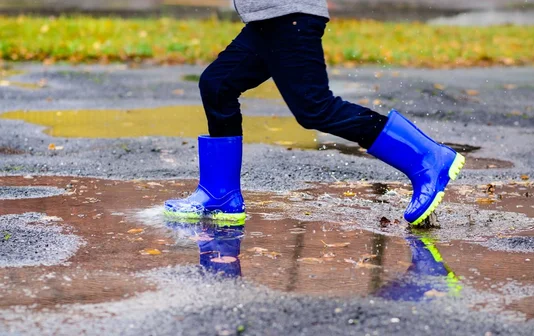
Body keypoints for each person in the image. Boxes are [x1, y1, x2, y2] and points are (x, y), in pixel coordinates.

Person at [164, 0, 465, 226]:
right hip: (266, 20)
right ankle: (221, 195)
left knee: (315, 109)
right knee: (217, 86)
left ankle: (426, 156)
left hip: (288, 16)